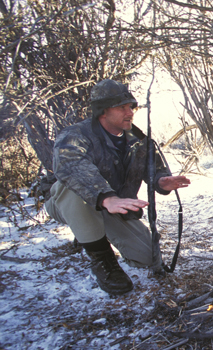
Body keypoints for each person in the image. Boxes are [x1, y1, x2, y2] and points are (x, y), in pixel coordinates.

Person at [45, 79, 190, 295]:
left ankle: (95, 228)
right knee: (74, 190)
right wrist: (106, 197)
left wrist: (162, 181)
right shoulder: (76, 135)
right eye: (122, 107)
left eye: (131, 107)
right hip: (70, 202)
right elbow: (71, 166)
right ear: (103, 111)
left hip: (117, 208)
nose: (129, 112)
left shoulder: (140, 140)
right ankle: (103, 259)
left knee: (147, 256)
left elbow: (155, 171)